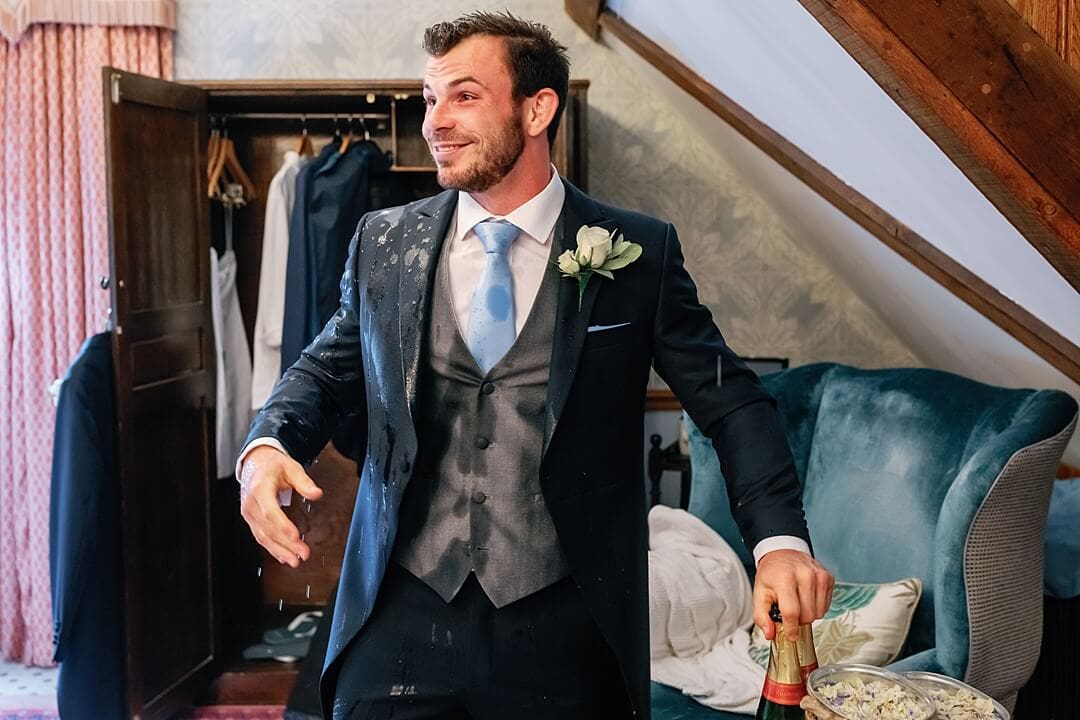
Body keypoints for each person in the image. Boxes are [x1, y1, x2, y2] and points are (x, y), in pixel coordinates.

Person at [238, 11, 834, 720]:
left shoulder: (636, 252)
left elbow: (730, 401)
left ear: (536, 108)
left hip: (566, 620)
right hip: (401, 608)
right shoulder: (383, 241)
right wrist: (267, 446)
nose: (434, 122)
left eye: (463, 96)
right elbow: (328, 367)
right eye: (430, 100)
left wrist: (779, 544)